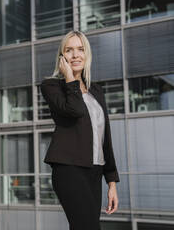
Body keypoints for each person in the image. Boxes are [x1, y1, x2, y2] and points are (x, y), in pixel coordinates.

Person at [40, 30, 119, 230]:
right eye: (69, 50)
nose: (75, 55)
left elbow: (104, 137)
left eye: (80, 49)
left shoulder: (96, 91)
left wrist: (111, 181)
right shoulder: (51, 86)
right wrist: (69, 78)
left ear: (87, 54)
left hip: (95, 170)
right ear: (62, 56)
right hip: (69, 169)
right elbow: (74, 110)